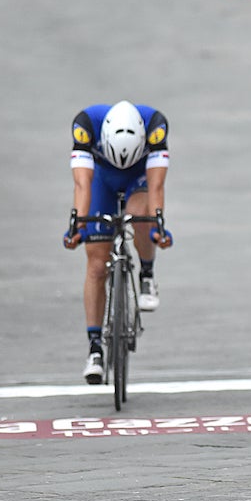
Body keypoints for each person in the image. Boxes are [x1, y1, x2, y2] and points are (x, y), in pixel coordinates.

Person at [63, 100, 173, 384]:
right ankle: (95, 348)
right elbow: (82, 184)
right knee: (97, 265)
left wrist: (159, 224)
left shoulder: (155, 125)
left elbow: (157, 186)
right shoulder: (85, 125)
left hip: (139, 179)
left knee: (140, 216)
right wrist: (77, 223)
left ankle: (146, 273)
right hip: (102, 181)